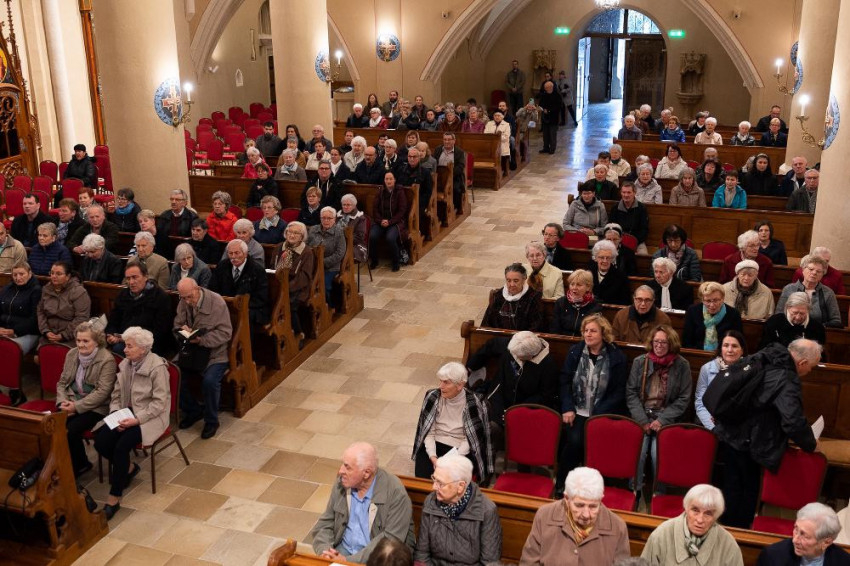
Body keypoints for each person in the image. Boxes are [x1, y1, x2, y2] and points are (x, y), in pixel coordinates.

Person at [713, 339, 821, 528]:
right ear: (802, 363)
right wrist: (811, 443)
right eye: (810, 367)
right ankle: (740, 535)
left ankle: (725, 531)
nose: (809, 371)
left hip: (731, 433)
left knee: (731, 488)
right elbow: (792, 421)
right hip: (753, 442)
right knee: (747, 494)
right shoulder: (787, 378)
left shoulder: (766, 355)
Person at [94, 326, 169, 520]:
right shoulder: (126, 364)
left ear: (143, 349)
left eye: (129, 346)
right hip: (126, 413)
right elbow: (116, 394)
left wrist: (136, 420)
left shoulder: (157, 367)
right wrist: (116, 414)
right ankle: (128, 468)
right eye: (125, 345)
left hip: (149, 418)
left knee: (121, 448)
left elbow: (159, 403)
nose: (124, 350)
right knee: (101, 442)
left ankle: (114, 498)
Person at [310, 442, 415, 564]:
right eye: (343, 464)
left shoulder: (396, 493)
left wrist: (347, 561)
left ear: (366, 473)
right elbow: (325, 522)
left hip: (377, 559)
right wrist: (326, 552)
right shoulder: (342, 482)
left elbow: (390, 541)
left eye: (347, 467)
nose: (341, 471)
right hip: (343, 550)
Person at [558, 315, 628, 481]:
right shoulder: (575, 352)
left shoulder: (617, 357)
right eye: (586, 330)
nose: (588, 334)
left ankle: (595, 483)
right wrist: (568, 407)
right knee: (575, 442)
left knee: (599, 443)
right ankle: (564, 483)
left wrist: (599, 412)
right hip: (578, 409)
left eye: (593, 331)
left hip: (603, 411)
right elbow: (564, 382)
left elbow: (619, 391)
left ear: (603, 334)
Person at [626, 325, 692, 490]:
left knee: (658, 455)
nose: (659, 345)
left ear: (671, 344)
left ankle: (659, 493)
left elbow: (684, 398)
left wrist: (662, 420)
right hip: (642, 416)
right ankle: (635, 491)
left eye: (663, 342)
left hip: (665, 418)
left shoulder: (682, 365)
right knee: (638, 453)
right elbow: (631, 393)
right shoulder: (640, 362)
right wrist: (642, 420)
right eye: (656, 341)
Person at [520, 466, 629, 565]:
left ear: (601, 499)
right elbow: (529, 562)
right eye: (579, 505)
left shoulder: (618, 528)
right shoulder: (544, 515)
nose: (586, 515)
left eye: (593, 506)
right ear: (567, 499)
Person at [414, 453, 501, 566]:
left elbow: (490, 562)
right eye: (434, 479)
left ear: (460, 486)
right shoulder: (430, 502)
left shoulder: (486, 510)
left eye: (440, 483)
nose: (434, 487)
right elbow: (422, 554)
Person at [411, 362, 493, 480]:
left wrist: (454, 460)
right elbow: (428, 433)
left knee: (451, 481)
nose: (441, 386)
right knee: (423, 480)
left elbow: (469, 439)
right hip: (434, 444)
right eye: (440, 381)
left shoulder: (476, 403)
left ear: (460, 385)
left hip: (460, 449)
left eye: (446, 382)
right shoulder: (432, 396)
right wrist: (433, 457)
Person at [55, 321, 117, 477]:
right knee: (53, 426)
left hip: (97, 407)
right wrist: (62, 402)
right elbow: (62, 383)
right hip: (70, 400)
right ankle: (59, 464)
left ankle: (80, 465)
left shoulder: (107, 360)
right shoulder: (72, 354)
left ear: (97, 342)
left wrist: (75, 407)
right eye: (78, 340)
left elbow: (103, 393)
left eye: (85, 341)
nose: (80, 345)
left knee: (70, 431)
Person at [467, 331, 560, 434]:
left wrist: (518, 408)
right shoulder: (516, 343)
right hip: (499, 394)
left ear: (531, 356)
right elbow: (492, 345)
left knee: (496, 430)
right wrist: (470, 367)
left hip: (524, 406)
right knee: (478, 421)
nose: (514, 357)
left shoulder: (548, 365)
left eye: (518, 357)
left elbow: (545, 395)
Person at [174, 278, 233, 439]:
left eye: (190, 297)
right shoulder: (183, 302)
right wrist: (182, 331)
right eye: (183, 298)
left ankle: (211, 421)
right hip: (190, 351)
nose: (187, 301)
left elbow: (225, 333)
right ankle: (193, 410)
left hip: (215, 353)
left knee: (210, 381)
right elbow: (177, 324)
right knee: (172, 374)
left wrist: (202, 340)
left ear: (198, 289)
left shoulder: (217, 302)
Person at [641, 484, 743, 566]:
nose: (700, 519)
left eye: (708, 514)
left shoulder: (728, 545)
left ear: (716, 516)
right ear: (686, 508)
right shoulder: (661, 535)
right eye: (695, 510)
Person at [104, 260, 173, 355]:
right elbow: (113, 321)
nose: (131, 282)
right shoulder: (123, 295)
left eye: (135, 277)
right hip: (124, 340)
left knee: (119, 349)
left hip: (149, 344)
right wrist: (111, 335)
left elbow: (161, 331)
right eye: (128, 278)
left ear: (146, 276)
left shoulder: (160, 297)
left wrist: (131, 340)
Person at [757, 502, 850, 566]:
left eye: (804, 535)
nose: (795, 540)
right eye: (796, 529)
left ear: (826, 542)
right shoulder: (773, 556)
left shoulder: (844, 562)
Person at [694, 330, 747, 430]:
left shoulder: (748, 370)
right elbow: (700, 403)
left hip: (736, 425)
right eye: (726, 345)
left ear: (742, 350)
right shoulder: (706, 369)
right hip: (708, 423)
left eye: (734, 346)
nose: (729, 350)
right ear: (720, 349)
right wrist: (713, 427)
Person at [211, 239, 269, 327]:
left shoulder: (257, 270)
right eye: (230, 253)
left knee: (244, 316)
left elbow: (261, 297)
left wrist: (240, 305)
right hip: (225, 305)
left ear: (245, 254)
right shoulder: (222, 266)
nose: (233, 257)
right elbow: (213, 288)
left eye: (237, 253)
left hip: (250, 308)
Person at [776, 254, 843, 327]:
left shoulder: (828, 293)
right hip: (790, 329)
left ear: (822, 274)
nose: (814, 273)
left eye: (818, 271)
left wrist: (818, 327)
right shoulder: (789, 289)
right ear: (803, 270)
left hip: (817, 331)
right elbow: (779, 315)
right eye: (811, 269)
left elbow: (836, 321)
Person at [274, 221, 315, 340]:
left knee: (288, 305)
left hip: (298, 288)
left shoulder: (306, 252)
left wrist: (287, 288)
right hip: (279, 285)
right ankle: (278, 333)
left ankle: (298, 334)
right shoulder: (279, 247)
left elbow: (304, 277)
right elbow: (272, 267)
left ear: (302, 236)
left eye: (296, 233)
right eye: (289, 232)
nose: (292, 235)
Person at [37, 261, 90, 348]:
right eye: (52, 273)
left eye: (58, 274)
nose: (54, 276)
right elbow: (41, 311)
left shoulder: (79, 291)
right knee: (41, 354)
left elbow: (81, 318)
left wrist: (63, 335)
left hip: (71, 337)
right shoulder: (46, 289)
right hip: (48, 336)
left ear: (68, 276)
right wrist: (46, 331)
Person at [482, 263, 543, 331]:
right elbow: (486, 323)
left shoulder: (533, 297)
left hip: (523, 337)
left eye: (516, 281)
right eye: (508, 280)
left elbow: (535, 326)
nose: (512, 284)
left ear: (524, 279)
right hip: (498, 336)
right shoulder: (498, 296)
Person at [683, 282, 743, 351]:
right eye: (708, 301)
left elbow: (738, 341)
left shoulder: (734, 314)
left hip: (724, 354)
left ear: (723, 298)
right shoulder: (693, 311)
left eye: (716, 300)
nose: (712, 305)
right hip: (696, 353)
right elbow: (686, 341)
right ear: (702, 300)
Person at [369, 171, 408, 272]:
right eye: (386, 179)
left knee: (390, 238)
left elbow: (402, 210)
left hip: (395, 222)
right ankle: (374, 260)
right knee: (372, 236)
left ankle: (396, 262)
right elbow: (375, 209)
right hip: (381, 221)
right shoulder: (381, 191)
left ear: (394, 180)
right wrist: (380, 220)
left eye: (391, 179)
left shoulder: (399, 191)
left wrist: (390, 222)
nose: (388, 181)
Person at [760, 292, 826, 350]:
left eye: (802, 313)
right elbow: (765, 349)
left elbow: (820, 354)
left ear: (808, 310)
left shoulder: (817, 328)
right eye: (794, 313)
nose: (798, 317)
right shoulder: (774, 322)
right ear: (788, 308)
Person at [308, 206, 345, 304]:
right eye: (323, 218)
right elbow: (306, 247)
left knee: (322, 285)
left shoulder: (339, 232)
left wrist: (321, 262)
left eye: (329, 218)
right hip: (312, 265)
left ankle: (328, 306)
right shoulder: (313, 229)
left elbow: (339, 253)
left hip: (330, 267)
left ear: (334, 219)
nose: (326, 220)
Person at [550, 269, 603, 336]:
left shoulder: (595, 305)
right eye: (572, 284)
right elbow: (554, 329)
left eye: (579, 285)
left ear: (588, 287)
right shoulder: (561, 303)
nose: (574, 288)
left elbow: (592, 332)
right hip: (561, 340)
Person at [609, 182, 649, 253]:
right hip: (617, 239)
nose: (626, 195)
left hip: (637, 241)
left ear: (634, 193)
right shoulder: (615, 208)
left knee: (643, 254)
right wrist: (618, 239)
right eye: (624, 192)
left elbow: (644, 229)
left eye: (629, 192)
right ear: (621, 193)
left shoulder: (641, 208)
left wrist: (634, 240)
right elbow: (611, 226)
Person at [588, 239, 630, 306]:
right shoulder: (588, 273)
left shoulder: (621, 277)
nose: (605, 261)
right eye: (601, 257)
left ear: (612, 259)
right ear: (595, 258)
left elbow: (625, 303)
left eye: (608, 258)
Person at [433, 132, 467, 213]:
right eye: (445, 139)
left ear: (454, 141)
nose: (446, 142)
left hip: (454, 177)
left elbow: (460, 167)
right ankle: (437, 208)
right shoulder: (438, 149)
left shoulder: (459, 152)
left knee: (455, 189)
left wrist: (450, 175)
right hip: (439, 178)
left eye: (449, 140)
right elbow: (434, 162)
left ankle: (456, 207)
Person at [337, 194, 368, 265]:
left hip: (355, 245)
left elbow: (359, 237)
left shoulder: (360, 218)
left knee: (341, 253)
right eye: (344, 204)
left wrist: (342, 240)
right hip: (337, 243)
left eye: (348, 205)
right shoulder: (337, 215)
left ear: (354, 205)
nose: (345, 207)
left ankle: (343, 271)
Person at [484, 110, 512, 176]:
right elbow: (485, 133)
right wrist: (493, 137)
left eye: (499, 116)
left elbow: (506, 137)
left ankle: (503, 170)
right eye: (495, 115)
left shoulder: (506, 125)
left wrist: (497, 137)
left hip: (502, 144)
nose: (497, 117)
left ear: (502, 117)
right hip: (491, 144)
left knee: (502, 153)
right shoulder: (489, 123)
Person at [538, 80, 561, 154]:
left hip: (553, 118)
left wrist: (549, 111)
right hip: (545, 118)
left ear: (551, 87)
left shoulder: (557, 95)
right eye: (545, 88)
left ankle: (552, 149)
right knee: (545, 134)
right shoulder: (544, 95)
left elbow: (558, 107)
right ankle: (546, 148)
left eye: (546, 87)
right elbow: (540, 104)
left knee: (552, 134)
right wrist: (541, 108)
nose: (545, 89)